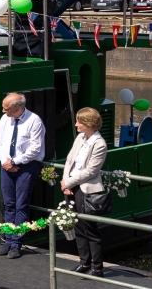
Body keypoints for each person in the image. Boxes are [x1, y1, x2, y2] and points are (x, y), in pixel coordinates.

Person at [0, 92, 45, 259]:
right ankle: (7, 240)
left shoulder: (34, 121)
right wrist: (5, 162)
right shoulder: (5, 119)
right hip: (6, 165)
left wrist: (15, 161)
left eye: (6, 108)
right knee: (9, 204)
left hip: (26, 167)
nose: (3, 111)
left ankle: (16, 243)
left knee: (21, 205)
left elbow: (35, 149)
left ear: (17, 108)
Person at [62, 108, 107, 278]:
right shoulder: (80, 137)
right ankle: (84, 262)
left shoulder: (99, 144)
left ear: (88, 123)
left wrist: (69, 182)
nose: (76, 124)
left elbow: (91, 171)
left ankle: (97, 267)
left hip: (86, 190)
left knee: (89, 228)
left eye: (79, 122)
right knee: (77, 226)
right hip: (71, 186)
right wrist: (65, 181)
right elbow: (69, 160)